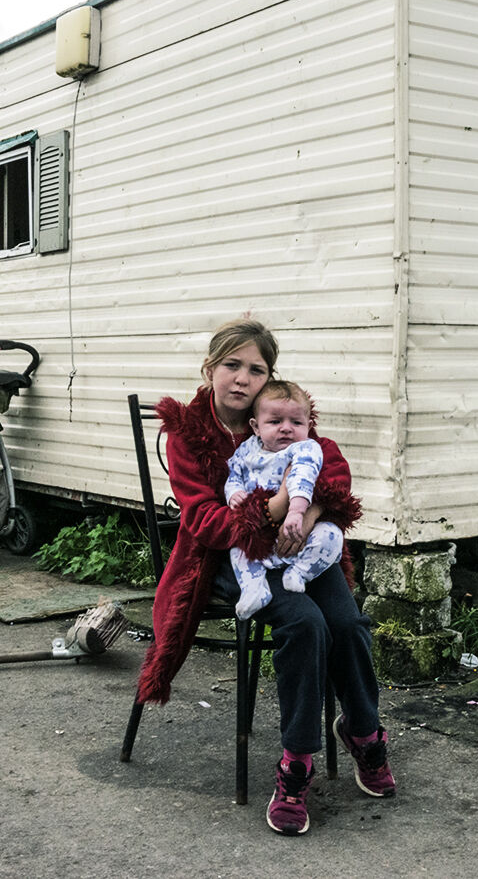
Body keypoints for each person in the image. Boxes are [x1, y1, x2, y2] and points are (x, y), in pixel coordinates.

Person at [135, 317, 396, 836]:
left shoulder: (281, 411)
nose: (242, 379)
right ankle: (296, 763)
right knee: (304, 624)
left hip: (300, 550)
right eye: (231, 365)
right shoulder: (190, 431)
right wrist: (277, 509)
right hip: (231, 558)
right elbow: (204, 519)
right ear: (210, 369)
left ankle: (363, 731)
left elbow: (331, 467)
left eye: (256, 369)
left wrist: (312, 514)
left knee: (345, 623)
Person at [224, 380, 346, 620]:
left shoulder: (305, 449)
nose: (287, 428)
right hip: (260, 536)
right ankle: (254, 588)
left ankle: (300, 573)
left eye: (297, 422)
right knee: (238, 550)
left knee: (331, 535)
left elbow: (302, 478)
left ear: (309, 426)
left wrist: (297, 513)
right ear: (256, 426)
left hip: (300, 531)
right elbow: (233, 474)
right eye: (275, 422)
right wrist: (234, 493)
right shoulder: (246, 450)